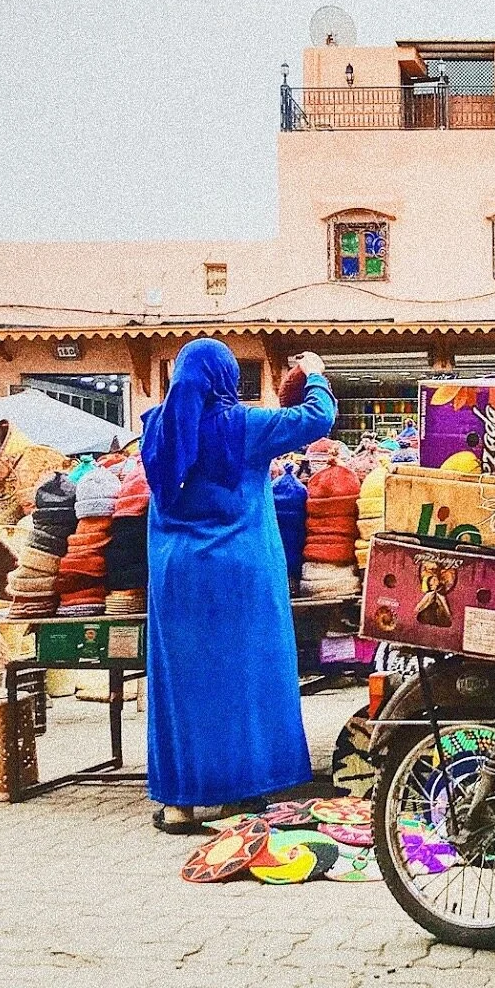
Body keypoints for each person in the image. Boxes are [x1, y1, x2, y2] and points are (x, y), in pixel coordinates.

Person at [141, 340, 336, 832]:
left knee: (182, 689)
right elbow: (317, 418)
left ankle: (179, 804)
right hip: (240, 576)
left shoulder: (155, 429)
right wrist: (313, 372)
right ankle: (238, 794)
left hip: (177, 579)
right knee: (243, 681)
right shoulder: (245, 426)